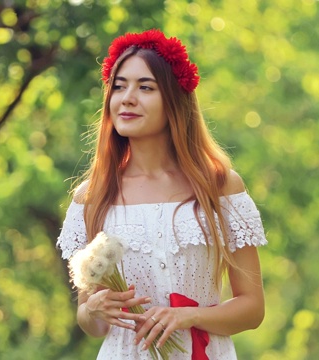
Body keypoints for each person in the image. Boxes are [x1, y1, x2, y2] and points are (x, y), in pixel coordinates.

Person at [57, 29, 267, 359]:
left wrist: (191, 316)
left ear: (174, 100)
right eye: (119, 86)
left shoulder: (219, 187)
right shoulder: (92, 196)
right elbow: (91, 322)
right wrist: (94, 310)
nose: (127, 98)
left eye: (145, 87)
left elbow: (252, 309)